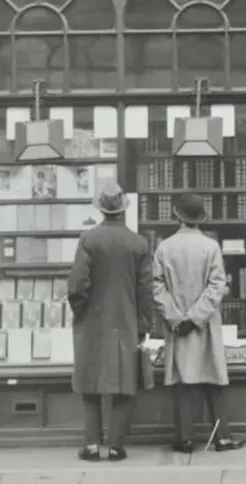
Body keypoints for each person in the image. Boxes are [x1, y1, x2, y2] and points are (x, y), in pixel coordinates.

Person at [67, 183, 153, 463]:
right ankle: (116, 446)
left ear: (101, 209)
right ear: (123, 209)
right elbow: (145, 290)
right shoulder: (139, 243)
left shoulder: (89, 240)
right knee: (123, 384)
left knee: (90, 384)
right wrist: (143, 325)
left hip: (92, 321)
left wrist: (81, 312)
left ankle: (91, 446)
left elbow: (77, 285)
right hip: (126, 322)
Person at [152, 193, 244, 453]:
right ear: (200, 218)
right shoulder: (210, 247)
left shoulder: (164, 247)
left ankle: (185, 439)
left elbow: (156, 287)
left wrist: (176, 318)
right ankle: (222, 437)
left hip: (177, 326)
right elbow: (218, 285)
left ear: (177, 215)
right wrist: (196, 317)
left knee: (183, 383)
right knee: (213, 379)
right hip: (204, 324)